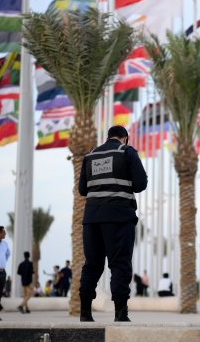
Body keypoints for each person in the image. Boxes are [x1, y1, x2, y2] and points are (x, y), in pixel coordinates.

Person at [78, 125, 148, 322]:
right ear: (125, 138)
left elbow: (83, 189)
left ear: (108, 137)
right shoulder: (126, 152)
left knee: (92, 265)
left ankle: (84, 312)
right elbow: (141, 184)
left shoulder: (90, 155)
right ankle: (120, 313)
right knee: (119, 264)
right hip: (118, 217)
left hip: (91, 218)